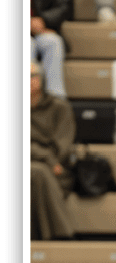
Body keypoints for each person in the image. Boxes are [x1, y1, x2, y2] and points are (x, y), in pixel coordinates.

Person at [30, 60, 76, 240]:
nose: (29, 81)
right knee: (36, 172)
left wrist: (51, 160)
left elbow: (63, 145)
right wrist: (47, 157)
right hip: (44, 164)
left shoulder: (59, 107)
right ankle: (61, 236)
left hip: (59, 169)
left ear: (42, 79)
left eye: (33, 76)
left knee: (37, 174)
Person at [31, 0, 69, 98]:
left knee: (53, 42)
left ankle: (55, 101)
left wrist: (44, 20)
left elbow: (62, 9)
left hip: (41, 33)